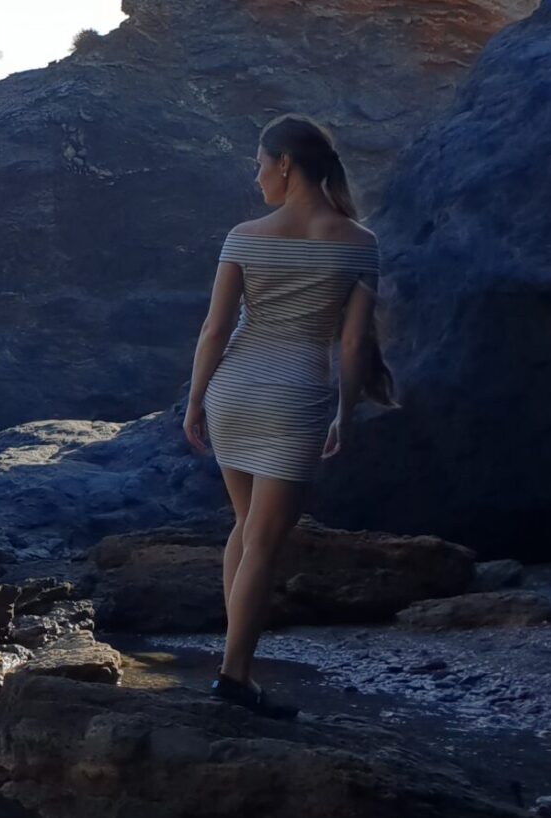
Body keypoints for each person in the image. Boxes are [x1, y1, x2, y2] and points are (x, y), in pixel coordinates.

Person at [182, 113, 396, 719]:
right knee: (263, 540)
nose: (257, 178)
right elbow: (351, 345)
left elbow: (215, 329)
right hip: (294, 395)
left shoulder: (245, 236)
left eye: (259, 164)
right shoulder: (360, 242)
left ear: (285, 164)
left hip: (233, 390)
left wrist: (196, 400)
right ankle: (234, 677)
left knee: (246, 528)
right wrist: (344, 411)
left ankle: (235, 671)